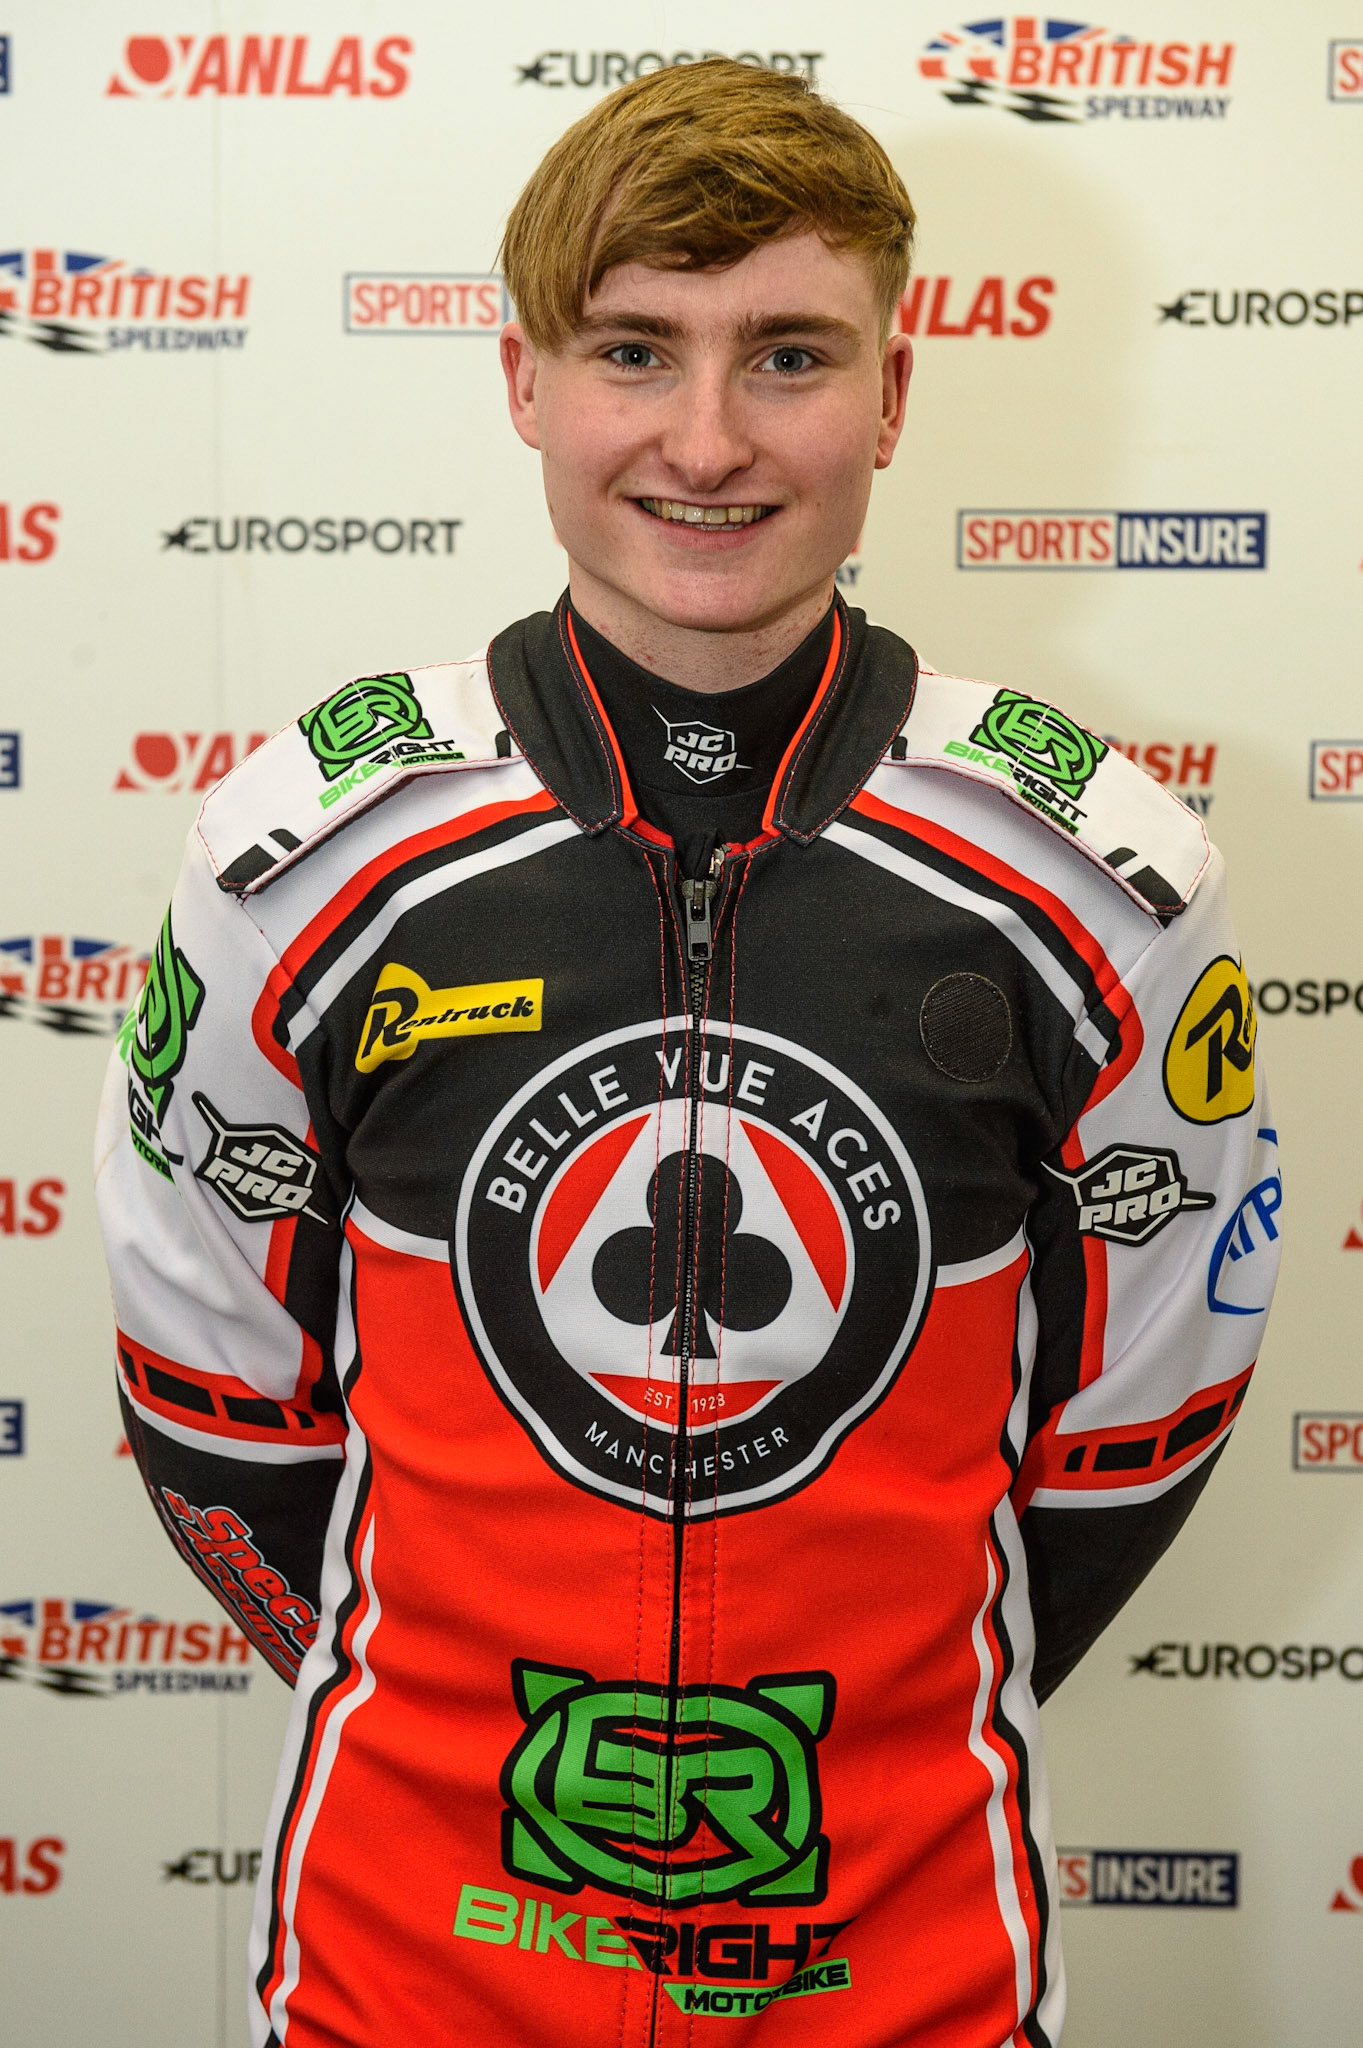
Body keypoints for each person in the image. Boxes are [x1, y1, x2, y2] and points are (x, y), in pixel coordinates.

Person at [96, 58, 1279, 2048]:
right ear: (525, 385)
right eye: (634, 347)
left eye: (790, 354)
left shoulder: (1102, 879)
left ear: (895, 394)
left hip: (905, 1958)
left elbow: (1140, 1419)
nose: (710, 440)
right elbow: (205, 1376)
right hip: (411, 1952)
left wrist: (895, 1715)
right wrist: (440, 1715)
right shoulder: (308, 848)